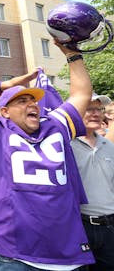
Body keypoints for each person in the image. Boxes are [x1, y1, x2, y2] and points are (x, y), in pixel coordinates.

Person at [0, 34, 95, 270]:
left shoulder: (56, 125)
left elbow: (81, 95)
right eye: (22, 101)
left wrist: (72, 54)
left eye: (33, 100)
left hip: (67, 255)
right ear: (5, 112)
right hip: (14, 255)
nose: (32, 104)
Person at [71, 93, 114, 270]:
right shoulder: (65, 146)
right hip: (79, 227)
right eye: (89, 109)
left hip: (109, 228)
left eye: (99, 109)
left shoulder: (109, 146)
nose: (96, 113)